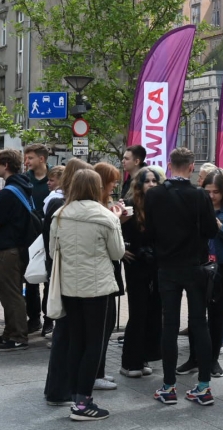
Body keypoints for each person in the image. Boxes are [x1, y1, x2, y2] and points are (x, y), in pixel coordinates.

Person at [144, 147, 218, 406]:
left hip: (167, 266)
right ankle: (204, 386)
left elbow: (149, 231)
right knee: (199, 323)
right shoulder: (200, 195)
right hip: (195, 265)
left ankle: (168, 386)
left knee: (170, 325)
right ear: (191, 167)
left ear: (169, 165)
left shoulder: (154, 195)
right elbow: (211, 230)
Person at [50, 169, 125, 422]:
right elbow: (117, 253)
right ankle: (83, 403)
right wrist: (117, 221)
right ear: (96, 188)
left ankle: (76, 398)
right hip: (97, 287)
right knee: (94, 343)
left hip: (68, 286)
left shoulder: (60, 215)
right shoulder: (106, 217)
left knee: (76, 341)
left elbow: (52, 251)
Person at [178, 169, 223, 379]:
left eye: (216, 192)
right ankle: (194, 358)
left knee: (217, 312)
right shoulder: (195, 207)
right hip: (199, 265)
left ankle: (213, 359)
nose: (211, 196)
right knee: (196, 312)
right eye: (207, 192)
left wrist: (221, 227)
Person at [43, 159, 94, 406]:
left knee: (66, 334)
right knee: (64, 335)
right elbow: (52, 245)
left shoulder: (63, 206)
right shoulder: (59, 205)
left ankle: (58, 388)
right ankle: (58, 390)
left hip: (65, 274)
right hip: (64, 276)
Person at [0, 149, 34, 351]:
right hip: (19, 247)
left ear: (5, 165)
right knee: (11, 292)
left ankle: (18, 336)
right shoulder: (23, 187)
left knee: (11, 294)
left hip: (7, 250)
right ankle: (9, 333)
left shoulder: (8, 192)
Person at [119, 166, 164, 378]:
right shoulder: (129, 205)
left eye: (155, 181)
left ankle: (144, 356)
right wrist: (121, 249)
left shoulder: (161, 204)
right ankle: (130, 362)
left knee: (153, 311)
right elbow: (113, 230)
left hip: (156, 263)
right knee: (138, 311)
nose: (152, 184)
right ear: (139, 184)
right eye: (147, 181)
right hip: (135, 262)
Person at [93, 162, 125, 390]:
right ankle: (94, 374)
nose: (114, 185)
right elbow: (116, 250)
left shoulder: (103, 206)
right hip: (100, 276)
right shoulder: (99, 211)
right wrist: (116, 221)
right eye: (112, 181)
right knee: (102, 325)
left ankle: (99, 371)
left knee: (105, 324)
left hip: (101, 275)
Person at [24, 143, 50, 334]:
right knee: (31, 279)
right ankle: (34, 319)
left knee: (50, 280)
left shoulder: (55, 177)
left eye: (30, 158)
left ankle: (49, 318)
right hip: (31, 235)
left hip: (50, 234)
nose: (27, 161)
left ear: (42, 159)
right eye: (26, 158)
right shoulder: (25, 179)